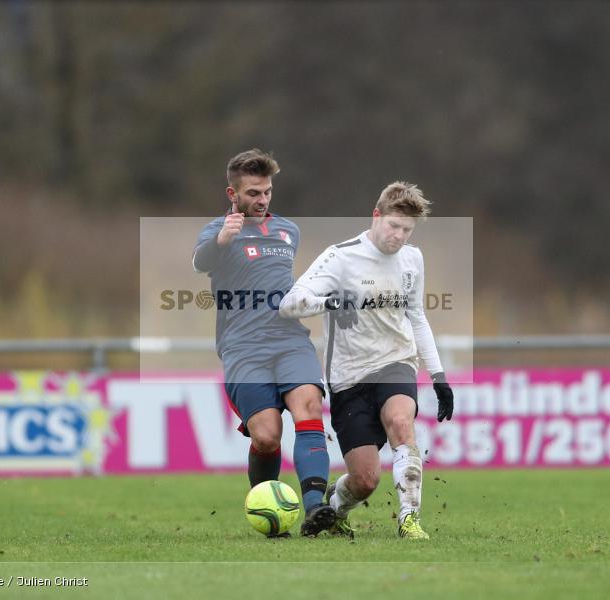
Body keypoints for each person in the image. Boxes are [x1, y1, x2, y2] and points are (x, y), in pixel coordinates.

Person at [278, 181, 454, 540]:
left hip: (396, 361)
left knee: (401, 421)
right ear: (376, 216)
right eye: (393, 226)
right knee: (365, 480)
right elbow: (289, 304)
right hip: (349, 378)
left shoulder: (412, 259)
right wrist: (328, 302)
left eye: (407, 230)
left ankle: (409, 519)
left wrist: (438, 375)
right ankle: (336, 506)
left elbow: (416, 316)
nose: (399, 236)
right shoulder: (340, 257)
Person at [192, 148, 335, 537]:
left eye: (267, 191)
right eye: (253, 192)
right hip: (243, 347)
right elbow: (200, 262)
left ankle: (317, 510)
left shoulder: (289, 230)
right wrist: (221, 240)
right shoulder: (217, 231)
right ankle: (264, 503)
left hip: (290, 339)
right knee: (268, 435)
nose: (262, 199)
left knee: (308, 407)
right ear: (232, 193)